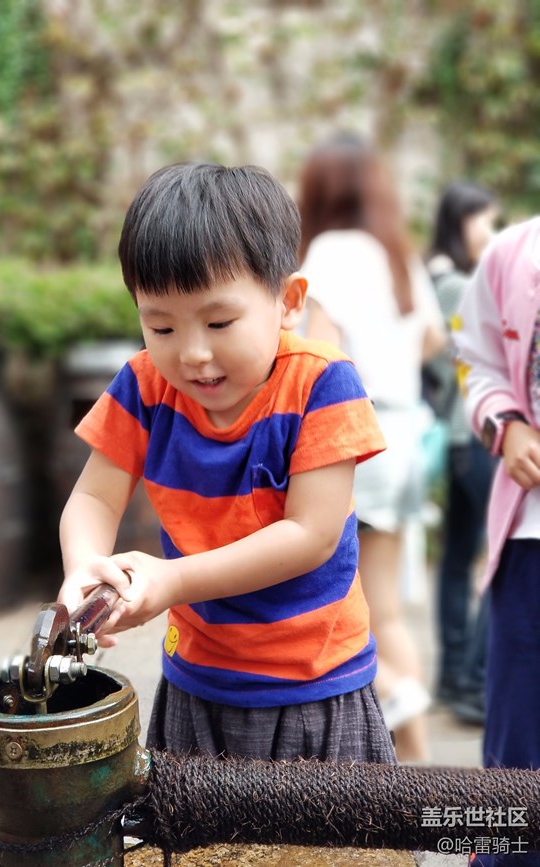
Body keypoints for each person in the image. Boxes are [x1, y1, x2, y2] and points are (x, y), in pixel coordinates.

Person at [56, 161, 396, 765]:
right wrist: (85, 568)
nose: (192, 353)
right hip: (197, 682)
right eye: (159, 325)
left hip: (313, 687)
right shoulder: (144, 387)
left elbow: (311, 537)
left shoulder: (322, 384)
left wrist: (172, 580)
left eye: (219, 322)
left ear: (287, 301)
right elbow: (94, 498)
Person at [297, 134, 446, 762]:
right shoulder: (395, 251)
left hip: (361, 434)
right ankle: (416, 759)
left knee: (338, 600)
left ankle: (397, 700)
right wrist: (391, 365)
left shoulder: (329, 250)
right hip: (411, 432)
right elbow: (436, 337)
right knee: (384, 605)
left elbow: (324, 351)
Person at [455, 216, 540, 866]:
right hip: (531, 543)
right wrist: (506, 423)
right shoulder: (514, 253)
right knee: (516, 750)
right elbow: (476, 358)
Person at [425, 181, 500, 725]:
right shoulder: (458, 284)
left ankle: (455, 676)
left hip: (457, 438)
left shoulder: (435, 278)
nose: (490, 233)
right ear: (460, 221)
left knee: (457, 558)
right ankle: (471, 680)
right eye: (483, 222)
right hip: (477, 435)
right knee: (498, 555)